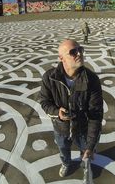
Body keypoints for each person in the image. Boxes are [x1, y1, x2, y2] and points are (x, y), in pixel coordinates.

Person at [39, 39, 103, 179]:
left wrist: (91, 146)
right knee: (63, 150)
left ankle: (85, 162)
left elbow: (96, 115)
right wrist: (57, 113)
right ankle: (66, 163)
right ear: (62, 58)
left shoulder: (91, 79)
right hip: (61, 128)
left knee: (85, 150)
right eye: (73, 52)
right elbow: (44, 101)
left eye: (80, 49)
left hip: (82, 128)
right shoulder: (49, 77)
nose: (79, 53)